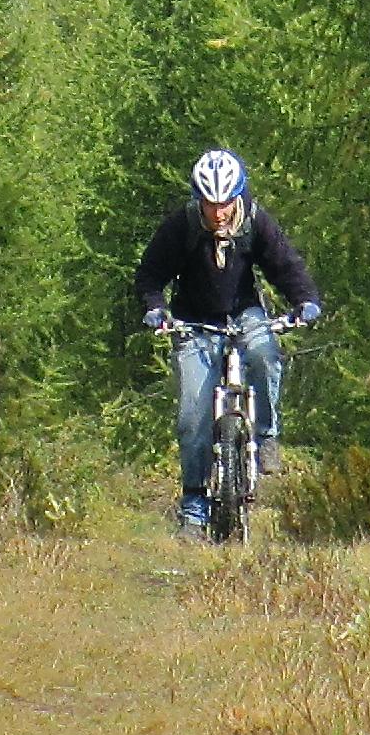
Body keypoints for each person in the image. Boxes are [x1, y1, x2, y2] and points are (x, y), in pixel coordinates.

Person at [135, 147, 322, 542]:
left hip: (245, 313)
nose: (218, 212)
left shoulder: (254, 221)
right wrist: (155, 309)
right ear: (197, 198)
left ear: (238, 196)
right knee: (192, 414)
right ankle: (193, 508)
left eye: (224, 202)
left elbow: (286, 265)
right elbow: (150, 276)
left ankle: (267, 436)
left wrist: (304, 301)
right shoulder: (181, 227)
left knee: (265, 355)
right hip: (193, 322)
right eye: (209, 203)